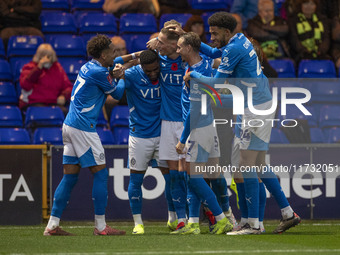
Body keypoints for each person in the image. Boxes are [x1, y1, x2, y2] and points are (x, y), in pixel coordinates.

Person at [185, 12, 300, 235]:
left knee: (246, 166)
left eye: (215, 33)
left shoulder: (234, 48)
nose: (212, 36)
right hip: (259, 104)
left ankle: (254, 224)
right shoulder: (240, 40)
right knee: (255, 165)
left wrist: (195, 76)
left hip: (255, 108)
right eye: (210, 32)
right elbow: (217, 52)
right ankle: (286, 213)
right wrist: (194, 42)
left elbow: (217, 83)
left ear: (227, 32)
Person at [43, 35, 126, 236]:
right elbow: (116, 94)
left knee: (70, 177)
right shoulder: (99, 72)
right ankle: (100, 227)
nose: (115, 54)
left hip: (69, 125)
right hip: (83, 128)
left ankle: (52, 226)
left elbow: (111, 68)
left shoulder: (89, 66)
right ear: (104, 54)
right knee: (101, 173)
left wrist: (123, 64)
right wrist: (122, 77)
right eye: (113, 51)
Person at [172, 32, 234, 235]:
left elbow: (193, 110)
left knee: (195, 177)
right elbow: (209, 51)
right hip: (210, 127)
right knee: (207, 175)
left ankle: (221, 217)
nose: (177, 50)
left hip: (198, 128)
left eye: (180, 46)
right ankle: (193, 223)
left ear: (189, 48)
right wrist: (181, 33)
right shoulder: (204, 63)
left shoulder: (195, 76)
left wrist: (182, 140)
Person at [123, 49, 167, 234]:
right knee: (135, 180)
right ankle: (138, 223)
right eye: (147, 71)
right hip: (139, 135)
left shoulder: (166, 70)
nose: (152, 73)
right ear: (141, 66)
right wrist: (132, 57)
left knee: (172, 179)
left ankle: (173, 219)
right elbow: (108, 67)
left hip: (163, 133)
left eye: (155, 69)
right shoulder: (131, 74)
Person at [19, 43, 72, 114]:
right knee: (43, 113)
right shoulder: (29, 67)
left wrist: (64, 96)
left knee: (65, 113)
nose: (46, 59)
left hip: (53, 103)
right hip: (33, 103)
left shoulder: (58, 68)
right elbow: (25, 85)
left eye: (48, 56)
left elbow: (68, 87)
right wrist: (38, 68)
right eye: (42, 56)